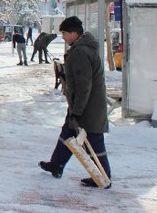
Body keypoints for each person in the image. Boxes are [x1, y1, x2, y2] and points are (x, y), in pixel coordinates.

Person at [39, 16, 112, 188]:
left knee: (93, 140)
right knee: (68, 133)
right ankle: (56, 165)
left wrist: (77, 110)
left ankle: (103, 176)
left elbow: (83, 85)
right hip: (83, 104)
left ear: (74, 33)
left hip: (88, 108)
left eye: (64, 33)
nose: (62, 37)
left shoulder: (80, 52)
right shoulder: (83, 48)